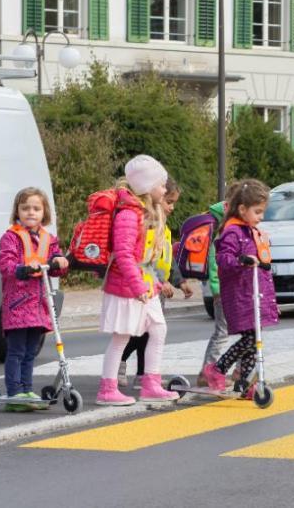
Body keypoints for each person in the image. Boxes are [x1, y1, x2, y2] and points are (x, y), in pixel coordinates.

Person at [96, 155, 180, 406]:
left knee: (158, 329)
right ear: (146, 185)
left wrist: (151, 284)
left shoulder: (143, 212)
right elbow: (123, 255)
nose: (164, 190)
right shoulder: (129, 215)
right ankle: (107, 389)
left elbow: (143, 258)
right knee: (121, 336)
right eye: (161, 185)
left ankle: (150, 383)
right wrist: (138, 286)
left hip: (143, 285)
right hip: (128, 286)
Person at [201, 179, 279, 397]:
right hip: (240, 295)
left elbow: (260, 263)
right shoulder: (232, 232)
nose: (261, 217)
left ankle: (243, 381)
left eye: (262, 212)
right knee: (251, 339)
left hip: (254, 293)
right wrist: (241, 260)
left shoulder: (251, 231)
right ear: (242, 209)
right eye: (258, 212)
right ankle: (217, 369)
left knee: (255, 340)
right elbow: (223, 258)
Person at [0, 187, 68, 411]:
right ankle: (15, 393)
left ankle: (27, 388)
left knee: (30, 352)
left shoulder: (48, 239)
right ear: (17, 211)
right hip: (18, 304)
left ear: (44, 212)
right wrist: (22, 268)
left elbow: (54, 261)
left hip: (38, 305)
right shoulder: (11, 238)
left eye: (36, 208)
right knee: (16, 351)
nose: (31, 212)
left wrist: (59, 262)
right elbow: (5, 264)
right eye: (25, 208)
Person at [119, 178, 193, 389]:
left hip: (157, 289)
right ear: (156, 199)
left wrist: (180, 282)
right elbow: (143, 261)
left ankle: (143, 375)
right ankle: (121, 363)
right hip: (144, 288)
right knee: (138, 332)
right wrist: (162, 281)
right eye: (169, 201)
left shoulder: (164, 228)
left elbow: (167, 260)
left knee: (148, 333)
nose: (172, 207)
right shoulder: (147, 226)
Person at [196, 199, 230, 387]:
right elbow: (212, 260)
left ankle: (208, 372)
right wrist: (216, 288)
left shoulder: (215, 221)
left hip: (224, 288)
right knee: (223, 332)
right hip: (222, 289)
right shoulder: (216, 227)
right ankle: (206, 373)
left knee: (226, 331)